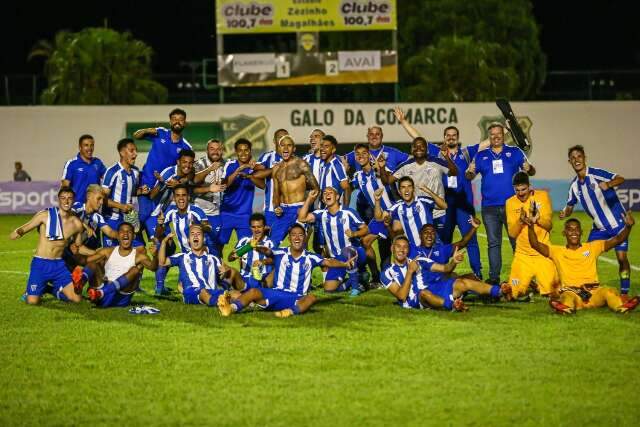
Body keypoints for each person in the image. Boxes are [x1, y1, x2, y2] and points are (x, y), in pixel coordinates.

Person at [395, 108, 486, 278]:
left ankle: (477, 272)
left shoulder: (466, 153)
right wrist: (403, 122)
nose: (451, 138)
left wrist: (504, 131)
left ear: (457, 138)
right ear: (444, 138)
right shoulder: (437, 152)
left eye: (454, 135)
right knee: (443, 242)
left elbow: (486, 144)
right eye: (448, 135)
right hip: (444, 208)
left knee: (471, 239)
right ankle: (442, 273)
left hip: (463, 206)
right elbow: (417, 137)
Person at [217, 223, 355, 318]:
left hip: (296, 297)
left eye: (300, 235)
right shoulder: (280, 252)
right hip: (276, 293)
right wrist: (256, 247)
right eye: (293, 235)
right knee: (253, 292)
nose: (297, 238)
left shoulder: (310, 257)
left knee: (312, 298)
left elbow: (329, 262)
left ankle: (289, 312)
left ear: (304, 238)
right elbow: (268, 251)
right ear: (289, 238)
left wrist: (344, 265)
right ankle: (231, 309)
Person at [526, 211, 639, 314]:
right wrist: (530, 226)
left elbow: (617, 239)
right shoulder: (556, 251)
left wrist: (628, 227)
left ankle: (621, 307)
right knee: (567, 296)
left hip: (594, 293)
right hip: (573, 292)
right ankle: (565, 308)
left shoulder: (593, 247)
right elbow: (535, 244)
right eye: (570, 229)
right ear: (564, 233)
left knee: (608, 291)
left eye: (576, 229)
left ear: (581, 232)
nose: (574, 232)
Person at [465, 122, 535, 285]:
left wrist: (528, 167)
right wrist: (469, 171)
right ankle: (494, 277)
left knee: (517, 241)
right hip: (489, 207)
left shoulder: (515, 152)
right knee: (493, 243)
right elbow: (470, 176)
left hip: (513, 206)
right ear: (489, 137)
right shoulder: (481, 156)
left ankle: (525, 276)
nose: (496, 137)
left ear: (504, 136)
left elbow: (531, 171)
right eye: (492, 135)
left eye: (499, 134)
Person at [560, 145, 632, 300]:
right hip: (599, 229)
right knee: (584, 256)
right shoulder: (574, 186)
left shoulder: (596, 174)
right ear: (569, 162)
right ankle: (584, 288)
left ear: (584, 158)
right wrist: (565, 212)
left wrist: (609, 184)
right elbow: (570, 205)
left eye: (579, 156)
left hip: (618, 225)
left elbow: (620, 178)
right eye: (573, 158)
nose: (576, 160)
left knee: (621, 259)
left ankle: (624, 293)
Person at [8, 187, 90, 305]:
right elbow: (26, 227)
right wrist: (18, 232)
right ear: (58, 200)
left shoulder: (76, 224)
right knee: (32, 302)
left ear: (73, 200)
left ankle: (49, 289)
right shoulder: (45, 215)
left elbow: (78, 246)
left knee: (76, 299)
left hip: (59, 265)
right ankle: (41, 289)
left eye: (69, 198)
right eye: (63, 198)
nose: (66, 201)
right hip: (40, 264)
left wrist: (95, 253)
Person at [379, 136, 457, 242]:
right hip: (420, 215)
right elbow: (387, 181)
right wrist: (382, 167)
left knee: (442, 248)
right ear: (411, 149)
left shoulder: (437, 162)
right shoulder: (405, 166)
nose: (418, 148)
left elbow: (454, 172)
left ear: (427, 148)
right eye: (415, 146)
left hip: (438, 213)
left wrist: (447, 157)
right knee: (422, 246)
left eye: (422, 146)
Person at [298, 187, 369, 296]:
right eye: (325, 193)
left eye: (330, 192)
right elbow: (302, 218)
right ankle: (359, 279)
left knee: (347, 250)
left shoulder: (348, 212)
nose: (327, 194)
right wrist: (309, 199)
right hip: (337, 259)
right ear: (323, 200)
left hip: (355, 253)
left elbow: (365, 229)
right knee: (329, 289)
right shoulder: (321, 214)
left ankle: (355, 288)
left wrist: (354, 234)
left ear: (337, 197)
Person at [133, 108, 193, 238]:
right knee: (143, 214)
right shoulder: (160, 133)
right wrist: (149, 130)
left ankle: (149, 240)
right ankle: (133, 236)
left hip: (164, 191)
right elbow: (136, 135)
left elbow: (190, 172)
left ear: (185, 123)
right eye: (174, 119)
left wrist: (180, 181)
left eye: (180, 119)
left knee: (157, 222)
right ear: (170, 121)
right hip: (146, 184)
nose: (177, 122)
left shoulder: (186, 147)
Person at [502, 172, 559, 300]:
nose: (521, 193)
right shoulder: (510, 203)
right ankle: (527, 283)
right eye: (517, 190)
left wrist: (537, 219)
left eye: (524, 189)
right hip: (523, 256)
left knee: (553, 293)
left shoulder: (542, 197)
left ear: (530, 187)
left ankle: (536, 284)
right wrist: (520, 222)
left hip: (542, 253)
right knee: (512, 295)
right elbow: (512, 233)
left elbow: (549, 226)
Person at [158, 224, 244, 307]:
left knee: (236, 294)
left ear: (203, 239)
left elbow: (223, 273)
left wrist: (224, 272)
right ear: (188, 240)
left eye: (198, 234)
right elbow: (162, 262)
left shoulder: (213, 259)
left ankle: (243, 305)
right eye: (192, 234)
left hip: (212, 291)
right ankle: (221, 304)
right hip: (192, 291)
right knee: (203, 293)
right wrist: (163, 243)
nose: (195, 236)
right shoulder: (182, 256)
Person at [81, 223, 158, 307]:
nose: (125, 234)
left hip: (121, 298)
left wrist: (155, 256)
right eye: (122, 231)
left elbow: (153, 267)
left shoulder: (139, 256)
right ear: (117, 236)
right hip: (101, 293)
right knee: (93, 263)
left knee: (135, 270)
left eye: (129, 232)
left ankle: (102, 292)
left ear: (133, 236)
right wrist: (74, 252)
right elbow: (86, 261)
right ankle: (80, 283)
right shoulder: (107, 251)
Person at [350, 143, 397, 281]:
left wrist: (380, 168)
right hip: (378, 216)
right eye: (357, 154)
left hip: (391, 213)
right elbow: (348, 188)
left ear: (369, 155)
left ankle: (393, 274)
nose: (361, 156)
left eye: (364, 153)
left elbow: (387, 180)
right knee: (365, 242)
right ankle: (376, 276)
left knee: (398, 244)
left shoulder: (379, 169)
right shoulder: (358, 176)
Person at [153, 185, 211, 295]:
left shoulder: (196, 211)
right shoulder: (171, 211)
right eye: (178, 196)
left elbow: (208, 227)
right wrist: (160, 224)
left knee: (185, 288)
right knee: (162, 250)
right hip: (184, 255)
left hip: (199, 253)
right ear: (174, 198)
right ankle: (159, 288)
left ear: (188, 197)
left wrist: (199, 226)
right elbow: (157, 234)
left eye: (184, 195)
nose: (181, 198)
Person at [345, 125, 409, 223]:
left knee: (393, 231)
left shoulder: (393, 153)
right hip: (367, 206)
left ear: (382, 136)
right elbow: (341, 160)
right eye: (371, 134)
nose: (374, 137)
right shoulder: (360, 156)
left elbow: (411, 160)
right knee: (365, 233)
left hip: (391, 204)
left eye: (377, 134)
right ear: (367, 136)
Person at [376, 176, 447, 255]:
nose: (406, 190)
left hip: (433, 246)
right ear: (399, 191)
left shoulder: (423, 201)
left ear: (413, 189)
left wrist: (429, 191)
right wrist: (377, 200)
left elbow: (444, 206)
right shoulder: (397, 207)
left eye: (409, 186)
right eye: (403, 187)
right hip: (414, 251)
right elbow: (379, 218)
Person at [271, 135, 319, 246]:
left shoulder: (301, 164)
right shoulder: (276, 169)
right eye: (282, 145)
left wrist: (305, 207)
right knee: (272, 244)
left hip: (299, 209)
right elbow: (276, 193)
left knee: (299, 244)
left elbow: (316, 189)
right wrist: (276, 207)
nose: (286, 148)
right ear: (278, 148)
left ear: (294, 148)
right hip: (283, 211)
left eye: (289, 145)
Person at [101, 138, 149, 247]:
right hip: (112, 220)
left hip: (129, 220)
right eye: (131, 150)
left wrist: (140, 191)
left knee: (141, 250)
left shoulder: (135, 172)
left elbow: (130, 192)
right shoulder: (112, 171)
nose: (135, 154)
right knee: (110, 257)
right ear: (122, 152)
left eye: (136, 150)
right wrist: (121, 206)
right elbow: (102, 200)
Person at [219, 139, 265, 245]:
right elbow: (224, 185)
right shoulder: (230, 165)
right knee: (219, 244)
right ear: (236, 152)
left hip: (245, 215)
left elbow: (262, 186)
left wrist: (249, 176)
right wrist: (238, 170)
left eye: (246, 150)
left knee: (244, 248)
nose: (243, 153)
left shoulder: (255, 167)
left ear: (250, 151)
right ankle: (219, 262)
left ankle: (244, 262)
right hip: (227, 213)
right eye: (240, 150)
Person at [193, 139, 226, 255]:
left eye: (218, 149)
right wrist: (209, 170)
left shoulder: (225, 165)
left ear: (222, 151)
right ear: (207, 150)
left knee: (216, 245)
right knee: (198, 245)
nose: (215, 151)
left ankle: (216, 270)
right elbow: (192, 185)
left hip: (216, 212)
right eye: (212, 149)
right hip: (199, 211)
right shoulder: (199, 164)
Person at [228, 213, 274, 289]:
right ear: (250, 228)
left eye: (259, 227)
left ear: (265, 227)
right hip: (244, 279)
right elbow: (230, 258)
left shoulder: (270, 243)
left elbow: (274, 259)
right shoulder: (244, 241)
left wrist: (263, 262)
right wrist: (244, 249)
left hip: (263, 279)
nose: (256, 230)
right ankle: (223, 292)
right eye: (253, 227)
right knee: (230, 271)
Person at [255, 128, 288, 230]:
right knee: (268, 240)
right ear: (274, 141)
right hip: (271, 209)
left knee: (297, 236)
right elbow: (256, 175)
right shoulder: (267, 157)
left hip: (290, 208)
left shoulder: (294, 159)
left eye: (285, 137)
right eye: (279, 137)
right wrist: (273, 170)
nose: (282, 139)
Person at [61, 134, 106, 204]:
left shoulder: (98, 162)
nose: (89, 148)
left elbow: (107, 180)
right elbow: (65, 187)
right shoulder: (71, 164)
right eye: (86, 145)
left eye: (92, 145)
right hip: (76, 207)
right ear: (80, 147)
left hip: (93, 206)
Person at [318, 135, 350, 206]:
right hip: (323, 207)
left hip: (334, 209)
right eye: (321, 146)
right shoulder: (322, 164)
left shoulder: (336, 165)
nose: (322, 149)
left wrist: (345, 210)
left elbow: (346, 188)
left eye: (326, 147)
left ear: (333, 150)